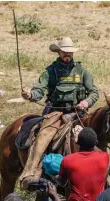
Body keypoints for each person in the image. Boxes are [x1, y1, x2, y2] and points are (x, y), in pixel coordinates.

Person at [19, 37, 99, 186]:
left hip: (78, 112)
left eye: (69, 52)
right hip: (56, 112)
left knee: (95, 135)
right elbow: (39, 90)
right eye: (64, 52)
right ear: (59, 52)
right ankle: (30, 171)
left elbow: (94, 92)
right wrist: (30, 95)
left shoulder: (82, 71)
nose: (67, 55)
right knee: (44, 134)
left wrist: (86, 102)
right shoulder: (50, 71)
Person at [55, 127, 110, 201]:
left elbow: (62, 182)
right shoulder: (105, 158)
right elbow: (100, 151)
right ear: (95, 143)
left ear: (77, 142)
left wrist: (54, 176)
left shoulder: (67, 160)